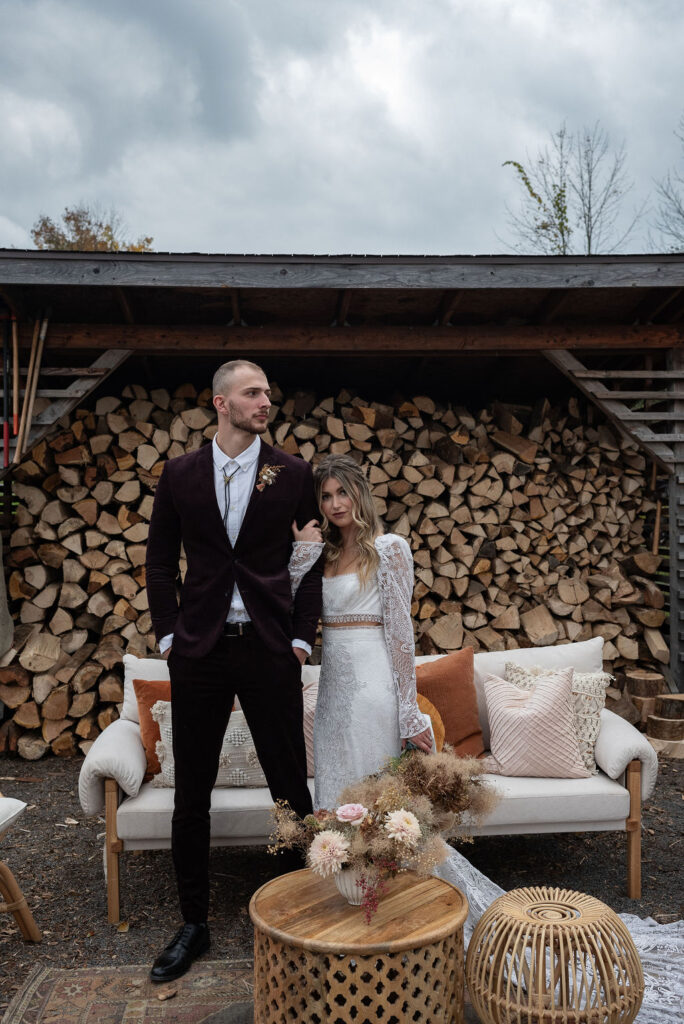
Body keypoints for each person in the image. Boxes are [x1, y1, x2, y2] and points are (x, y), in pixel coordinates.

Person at [293, 453, 684, 1021]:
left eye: (341, 493)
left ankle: (409, 923)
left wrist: (409, 712)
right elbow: (277, 602)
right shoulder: (320, 554)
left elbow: (401, 639)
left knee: (385, 806)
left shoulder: (391, 550)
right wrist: (301, 553)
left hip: (376, 687)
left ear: (360, 493)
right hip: (333, 691)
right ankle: (357, 921)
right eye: (325, 496)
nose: (334, 505)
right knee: (337, 802)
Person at [145, 360, 323, 983]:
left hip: (271, 648)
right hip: (199, 651)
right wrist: (169, 636)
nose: (265, 401)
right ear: (220, 403)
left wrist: (300, 641)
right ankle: (193, 922)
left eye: (269, 392)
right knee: (191, 794)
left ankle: (301, 912)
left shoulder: (294, 473)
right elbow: (161, 561)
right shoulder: (181, 474)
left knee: (290, 788)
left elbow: (311, 562)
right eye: (253, 393)